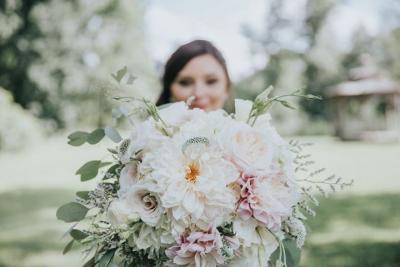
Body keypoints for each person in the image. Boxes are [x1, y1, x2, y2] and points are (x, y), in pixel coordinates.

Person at [157, 39, 231, 111]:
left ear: (227, 87)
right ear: (169, 89)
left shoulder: (241, 122)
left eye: (211, 81)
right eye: (185, 83)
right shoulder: (148, 123)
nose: (198, 93)